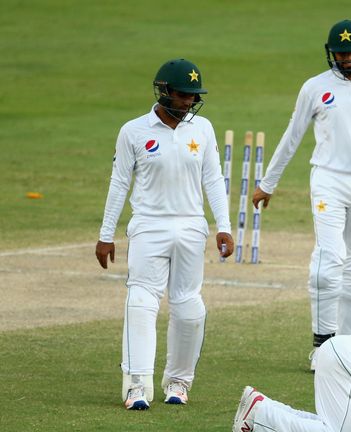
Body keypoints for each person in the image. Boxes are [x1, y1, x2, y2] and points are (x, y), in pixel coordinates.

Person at [251, 19, 351, 366]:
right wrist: (268, 183)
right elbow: (292, 135)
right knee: (328, 262)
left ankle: (350, 347)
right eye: (342, 53)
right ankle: (323, 346)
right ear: (331, 55)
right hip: (327, 178)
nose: (349, 59)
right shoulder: (314, 87)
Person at [95, 58, 234, 410]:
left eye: (193, 96)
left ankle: (178, 382)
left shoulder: (202, 129)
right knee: (141, 302)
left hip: (190, 226)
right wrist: (106, 234)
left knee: (189, 307)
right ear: (164, 91)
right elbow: (119, 183)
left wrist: (224, 227)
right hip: (148, 227)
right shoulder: (134, 131)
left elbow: (213, 180)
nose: (189, 102)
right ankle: (136, 386)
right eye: (183, 95)